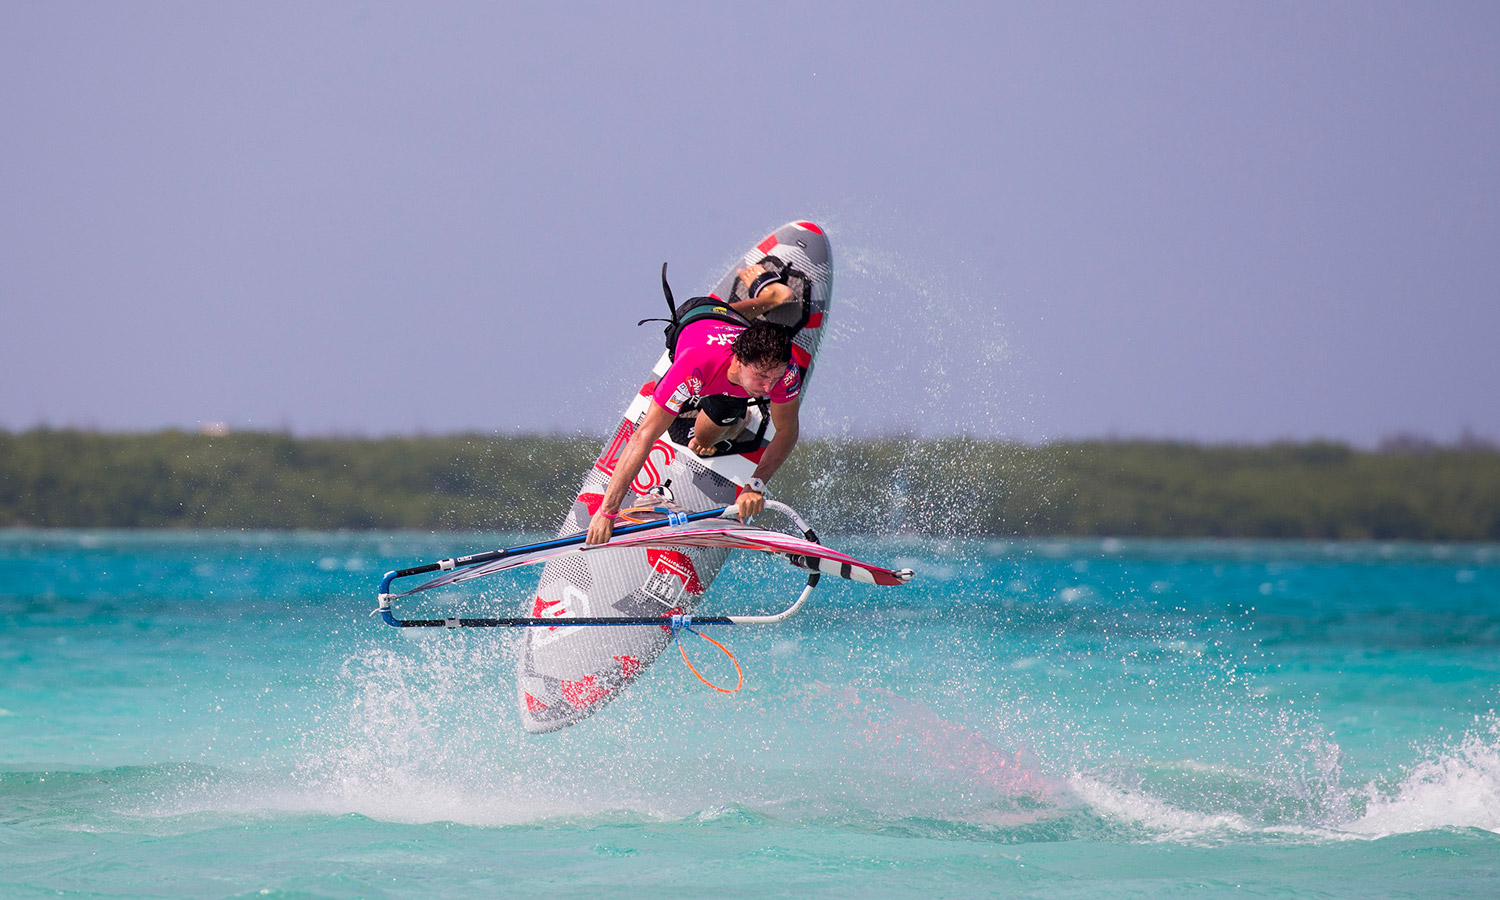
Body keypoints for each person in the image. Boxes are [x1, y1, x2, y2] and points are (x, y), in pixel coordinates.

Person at [585, 265, 802, 546]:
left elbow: (787, 431)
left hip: (731, 324)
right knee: (684, 423)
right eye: (761, 376)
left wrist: (756, 484)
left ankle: (772, 297)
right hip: (696, 314)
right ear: (738, 359)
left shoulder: (784, 371)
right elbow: (644, 435)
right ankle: (770, 299)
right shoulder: (693, 368)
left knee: (704, 438)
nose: (768, 388)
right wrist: (607, 511)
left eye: (773, 378)